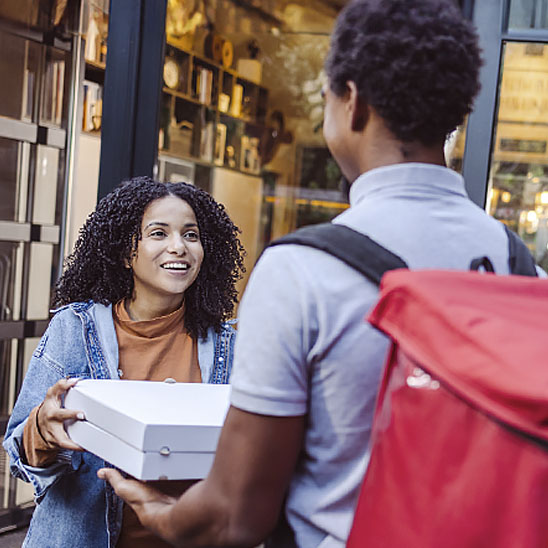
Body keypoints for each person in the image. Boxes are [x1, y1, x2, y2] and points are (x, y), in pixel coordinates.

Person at [99, 1, 516, 546]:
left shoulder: (301, 270)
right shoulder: (518, 266)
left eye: (324, 98)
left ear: (353, 102)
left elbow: (234, 514)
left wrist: (159, 514)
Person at [3, 177, 244, 547]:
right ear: (123, 251)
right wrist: (42, 428)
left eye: (191, 235)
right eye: (158, 234)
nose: (178, 247)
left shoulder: (230, 345)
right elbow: (20, 454)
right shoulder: (76, 329)